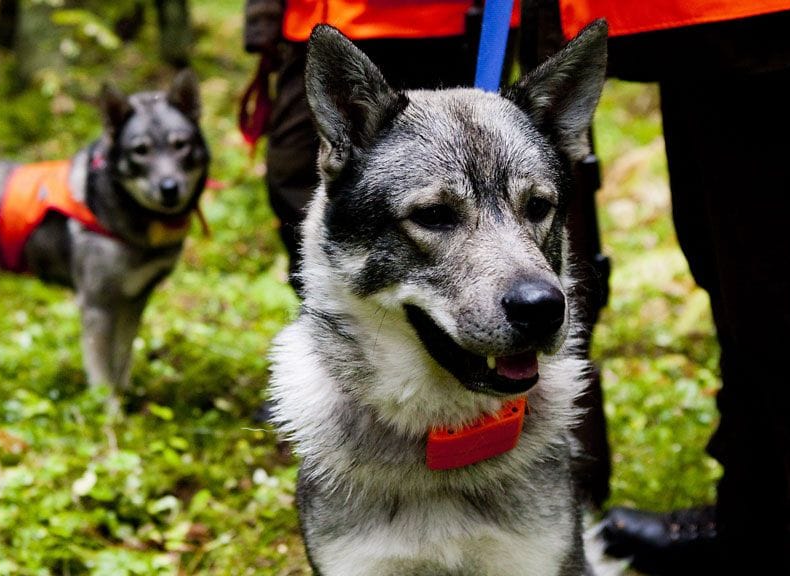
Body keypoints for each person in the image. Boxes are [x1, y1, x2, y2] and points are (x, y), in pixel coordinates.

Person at [242, 0, 615, 509]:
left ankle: (587, 501)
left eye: (537, 207)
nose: (533, 289)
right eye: (437, 216)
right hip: (341, 17)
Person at [522, 1, 790, 573]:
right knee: (732, 277)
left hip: (765, 26)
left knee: (783, 302)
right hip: (692, 29)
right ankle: (754, 523)